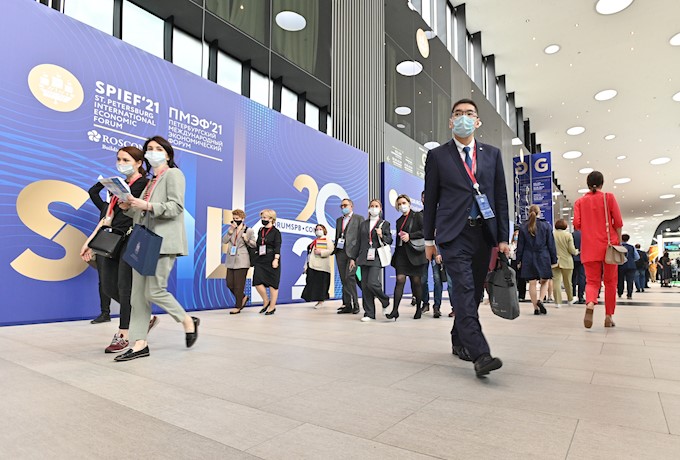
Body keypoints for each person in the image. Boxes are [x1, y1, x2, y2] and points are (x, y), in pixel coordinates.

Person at [423, 98, 510, 377]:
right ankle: (480, 353)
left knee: (473, 292)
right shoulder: (438, 156)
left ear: (478, 121)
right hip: (453, 234)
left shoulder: (492, 154)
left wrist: (503, 238)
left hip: (483, 233)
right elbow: (431, 201)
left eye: (469, 113)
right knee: (462, 288)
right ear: (451, 122)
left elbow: (500, 197)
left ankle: (458, 338)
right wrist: (428, 240)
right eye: (458, 114)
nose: (464, 118)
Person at [115, 136, 198, 361]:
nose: (153, 152)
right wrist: (128, 206)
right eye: (149, 148)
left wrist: (147, 205)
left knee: (154, 291)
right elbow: (141, 213)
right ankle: (139, 343)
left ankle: (187, 320)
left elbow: (176, 207)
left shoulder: (174, 174)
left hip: (163, 241)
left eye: (158, 148)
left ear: (168, 154)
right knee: (137, 296)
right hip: (143, 241)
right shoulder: (151, 181)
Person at [80, 147, 151, 352]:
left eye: (126, 160)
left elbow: (147, 212)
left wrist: (131, 203)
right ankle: (143, 317)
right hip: (113, 238)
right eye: (119, 159)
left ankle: (123, 334)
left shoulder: (145, 185)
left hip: (133, 238)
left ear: (139, 163)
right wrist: (89, 241)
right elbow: (107, 217)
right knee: (108, 287)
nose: (121, 163)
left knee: (124, 286)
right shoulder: (118, 187)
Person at [573, 171, 623, 329]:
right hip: (609, 245)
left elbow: (577, 224)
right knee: (610, 282)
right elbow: (618, 222)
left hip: (589, 247)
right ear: (602, 183)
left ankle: (590, 304)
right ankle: (608, 316)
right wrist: (619, 241)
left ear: (588, 184)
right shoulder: (608, 197)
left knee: (592, 281)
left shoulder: (580, 202)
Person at [386, 194, 427, 320]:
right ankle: (395, 310)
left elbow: (425, 231)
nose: (401, 206)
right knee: (399, 280)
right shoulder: (398, 221)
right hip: (402, 254)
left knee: (416, 282)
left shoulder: (417, 215)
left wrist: (410, 236)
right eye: (399, 204)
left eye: (403, 203)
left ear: (409, 203)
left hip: (415, 254)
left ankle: (419, 308)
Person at [355, 199, 392, 322]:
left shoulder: (384, 223)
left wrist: (381, 235)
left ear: (380, 209)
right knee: (365, 286)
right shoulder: (363, 224)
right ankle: (369, 313)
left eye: (376, 206)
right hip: (363, 257)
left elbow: (389, 240)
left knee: (372, 282)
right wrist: (353, 258)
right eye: (372, 206)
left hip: (376, 256)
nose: (374, 208)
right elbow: (359, 242)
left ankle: (385, 300)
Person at [516, 205, 557, 315]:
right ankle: (541, 300)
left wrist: (518, 260)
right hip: (543, 256)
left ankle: (535, 308)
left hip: (528, 257)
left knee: (532, 283)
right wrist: (554, 259)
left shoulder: (523, 226)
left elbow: (520, 246)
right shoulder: (546, 226)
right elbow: (551, 244)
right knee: (545, 280)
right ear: (539, 213)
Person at [87, 182, 113, 324]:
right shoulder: (105, 207)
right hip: (104, 246)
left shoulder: (128, 208)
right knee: (103, 280)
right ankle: (105, 313)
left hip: (120, 246)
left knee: (123, 281)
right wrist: (104, 182)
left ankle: (132, 312)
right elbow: (93, 192)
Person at [334, 198, 364, 314]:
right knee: (343, 279)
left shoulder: (359, 218)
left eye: (345, 205)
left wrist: (356, 256)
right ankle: (347, 304)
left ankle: (356, 303)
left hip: (353, 253)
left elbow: (361, 237)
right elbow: (338, 236)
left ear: (351, 206)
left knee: (350, 277)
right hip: (340, 252)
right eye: (341, 206)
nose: (343, 207)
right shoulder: (339, 220)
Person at [223, 209, 255, 314]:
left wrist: (246, 239)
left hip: (242, 260)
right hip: (231, 259)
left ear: (242, 218)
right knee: (229, 283)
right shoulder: (231, 229)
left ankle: (238, 306)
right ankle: (243, 297)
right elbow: (224, 241)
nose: (235, 220)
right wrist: (230, 232)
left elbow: (254, 244)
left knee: (239, 285)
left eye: (237, 218)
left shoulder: (248, 230)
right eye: (234, 218)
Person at [253, 209, 282, 314]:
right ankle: (266, 301)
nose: (263, 219)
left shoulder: (276, 232)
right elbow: (258, 244)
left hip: (271, 258)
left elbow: (277, 246)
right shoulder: (261, 230)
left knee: (273, 284)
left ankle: (272, 306)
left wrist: (276, 259)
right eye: (262, 217)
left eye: (265, 218)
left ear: (271, 219)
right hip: (261, 258)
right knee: (257, 282)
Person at [302, 224, 335, 308]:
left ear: (324, 230)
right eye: (317, 229)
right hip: (312, 265)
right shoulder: (314, 241)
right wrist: (306, 265)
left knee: (321, 284)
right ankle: (315, 299)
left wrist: (321, 252)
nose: (318, 231)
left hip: (322, 267)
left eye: (320, 229)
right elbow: (309, 254)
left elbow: (331, 250)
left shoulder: (327, 240)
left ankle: (321, 301)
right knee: (311, 283)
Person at [552, 219, 578, 307]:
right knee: (568, 282)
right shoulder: (568, 235)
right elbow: (571, 249)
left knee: (556, 282)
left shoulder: (552, 234)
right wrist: (576, 252)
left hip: (555, 261)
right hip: (567, 261)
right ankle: (570, 299)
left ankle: (557, 302)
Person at [617, 234, 639, 299]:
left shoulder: (618, 246)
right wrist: (631, 260)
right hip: (631, 266)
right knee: (630, 280)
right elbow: (637, 257)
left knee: (620, 280)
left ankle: (620, 292)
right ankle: (629, 294)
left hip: (620, 265)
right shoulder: (632, 247)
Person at [509, 229, 527, 302]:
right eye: (515, 235)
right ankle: (513, 295)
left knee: (521, 279)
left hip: (521, 262)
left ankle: (521, 295)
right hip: (513, 261)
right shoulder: (511, 245)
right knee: (513, 278)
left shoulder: (523, 245)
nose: (517, 237)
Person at [571, 229, 586, 304]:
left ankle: (573, 295)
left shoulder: (572, 235)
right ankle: (581, 296)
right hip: (583, 258)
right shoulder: (585, 235)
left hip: (573, 258)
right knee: (582, 277)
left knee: (573, 277)